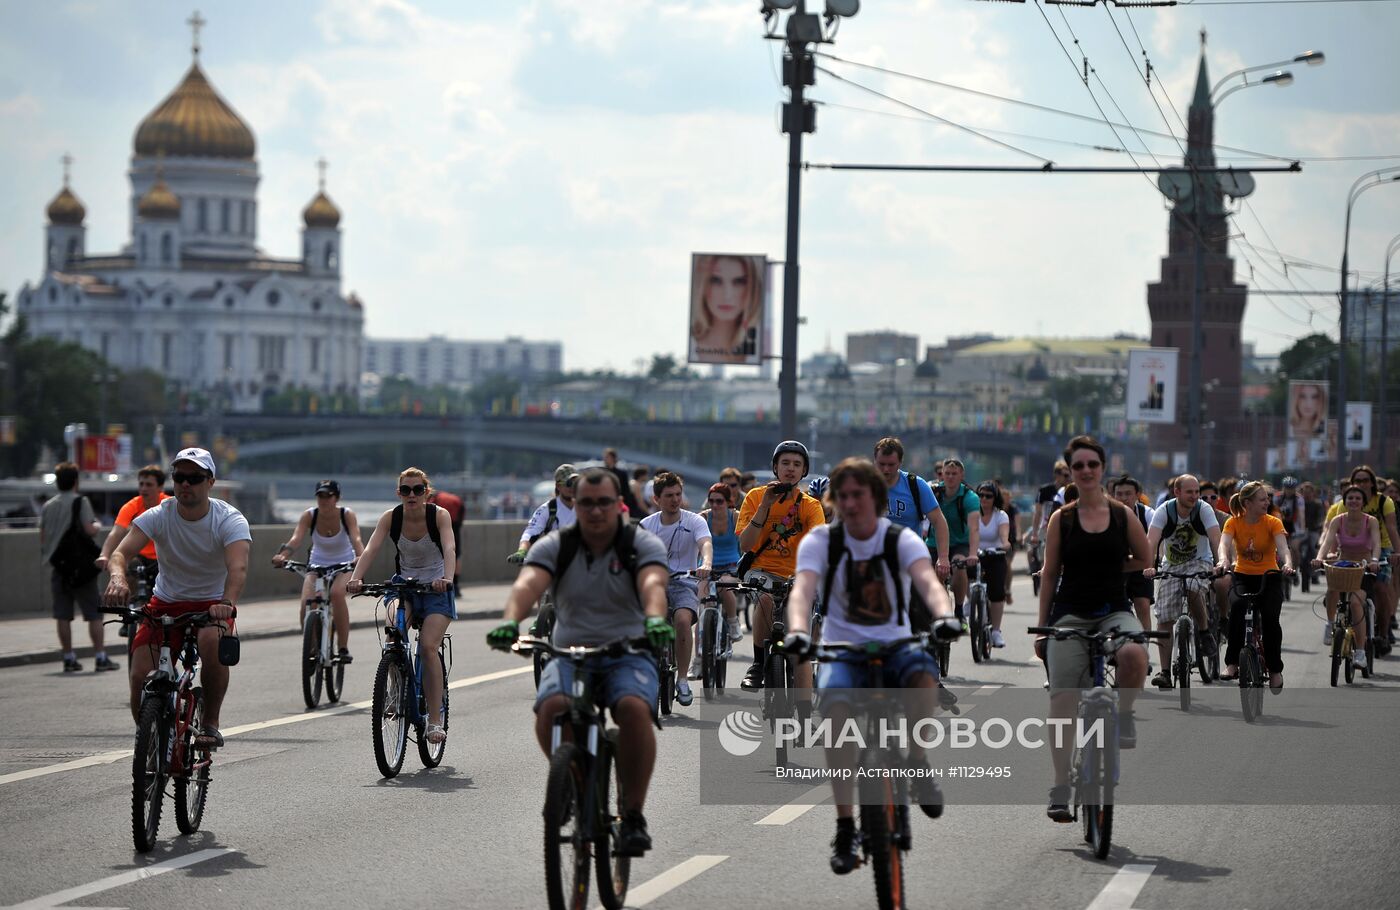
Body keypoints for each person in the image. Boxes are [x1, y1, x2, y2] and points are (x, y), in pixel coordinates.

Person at [780, 458, 961, 874]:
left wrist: (944, 615)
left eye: (858, 494)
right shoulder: (821, 542)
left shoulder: (901, 538)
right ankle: (846, 825)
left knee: (922, 674)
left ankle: (916, 760)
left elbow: (928, 582)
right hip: (843, 648)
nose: (850, 503)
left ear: (876, 497)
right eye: (842, 496)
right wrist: (797, 631)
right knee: (835, 711)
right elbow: (802, 592)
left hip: (896, 643)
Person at [487, 468, 670, 857]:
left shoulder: (640, 543)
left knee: (634, 710)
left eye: (604, 502)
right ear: (574, 504)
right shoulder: (557, 545)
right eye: (586, 503)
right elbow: (529, 584)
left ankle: (633, 814)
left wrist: (655, 618)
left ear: (619, 504)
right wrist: (509, 619)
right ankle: (570, 777)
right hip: (570, 653)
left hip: (629, 651)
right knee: (551, 708)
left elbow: (653, 584)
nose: (595, 511)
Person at [1036, 437, 1151, 822]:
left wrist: (1111, 570)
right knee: (1062, 698)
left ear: (1102, 468)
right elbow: (1050, 574)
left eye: (1092, 464)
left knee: (1135, 653)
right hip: (1070, 614)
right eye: (1078, 466)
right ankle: (1060, 784)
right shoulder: (1062, 519)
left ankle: (1126, 712)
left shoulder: (1121, 515)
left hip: (1112, 610)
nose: (1086, 471)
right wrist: (1044, 627)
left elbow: (1145, 558)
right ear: (1071, 471)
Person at [102, 448, 248, 746]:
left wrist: (227, 603)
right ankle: (151, 741)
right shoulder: (158, 516)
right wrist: (118, 578)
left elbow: (238, 567)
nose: (185, 484)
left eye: (194, 478)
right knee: (139, 674)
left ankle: (210, 723)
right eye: (179, 477)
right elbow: (120, 553)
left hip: (212, 605)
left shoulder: (228, 519)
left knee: (211, 643)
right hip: (166, 602)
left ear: (210, 482)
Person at [347, 467, 456, 745]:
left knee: (429, 647)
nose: (412, 495)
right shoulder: (391, 518)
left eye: (418, 490)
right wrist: (356, 578)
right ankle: (395, 686)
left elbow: (449, 549)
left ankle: (434, 719)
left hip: (435, 589)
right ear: (399, 493)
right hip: (404, 587)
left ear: (426, 492)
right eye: (406, 490)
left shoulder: (439, 516)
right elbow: (371, 548)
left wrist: (447, 579)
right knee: (393, 631)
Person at [736, 440, 827, 691]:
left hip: (798, 576)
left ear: (804, 471)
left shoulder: (810, 505)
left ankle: (805, 712)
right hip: (761, 571)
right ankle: (757, 664)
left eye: (797, 464)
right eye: (785, 463)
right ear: (775, 467)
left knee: (800, 648)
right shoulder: (755, 497)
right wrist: (765, 505)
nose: (790, 469)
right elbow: (746, 545)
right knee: (765, 600)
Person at [639, 471, 712, 706]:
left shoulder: (694, 521)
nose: (675, 499)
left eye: (678, 494)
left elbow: (705, 543)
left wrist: (706, 563)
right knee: (650, 623)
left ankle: (682, 680)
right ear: (656, 499)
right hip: (656, 584)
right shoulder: (646, 525)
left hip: (685, 582)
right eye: (669, 495)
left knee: (682, 621)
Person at [271, 479, 364, 663]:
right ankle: (310, 647)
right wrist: (282, 555)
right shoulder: (309, 515)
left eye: (328, 496)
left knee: (337, 594)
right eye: (320, 495)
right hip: (317, 564)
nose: (324, 500)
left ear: (337, 498)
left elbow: (356, 539)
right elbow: (296, 539)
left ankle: (343, 647)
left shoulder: (346, 515)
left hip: (344, 563)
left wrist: (360, 557)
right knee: (307, 601)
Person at [1143, 474, 1220, 687]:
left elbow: (1215, 536)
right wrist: (1149, 566)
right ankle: (1165, 673)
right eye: (1190, 492)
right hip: (1172, 565)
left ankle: (1204, 632)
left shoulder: (1203, 509)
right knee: (1165, 616)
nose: (1195, 496)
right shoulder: (1164, 511)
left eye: (1197, 492)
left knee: (1195, 589)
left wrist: (1220, 562)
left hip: (1200, 561)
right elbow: (1151, 540)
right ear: (1177, 492)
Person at [1217, 481, 1294, 690]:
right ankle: (1232, 663)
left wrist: (1287, 564)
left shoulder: (1273, 522)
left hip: (1269, 577)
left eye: (1267, 499)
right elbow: (1223, 545)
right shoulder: (1233, 522)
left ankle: (1275, 669)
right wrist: (1223, 560)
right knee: (1238, 609)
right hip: (1242, 576)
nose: (1267, 502)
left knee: (1270, 619)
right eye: (1262, 499)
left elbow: (1283, 548)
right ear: (1247, 503)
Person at [40, 462, 114, 672]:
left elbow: (43, 538)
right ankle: (100, 657)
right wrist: (98, 525)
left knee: (63, 615)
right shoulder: (80, 501)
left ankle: (68, 657)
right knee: (94, 614)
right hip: (81, 569)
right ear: (75, 481)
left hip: (59, 567)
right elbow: (90, 529)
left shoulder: (48, 505)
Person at [1325, 466, 1399, 653]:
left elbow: (1391, 529)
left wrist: (1397, 552)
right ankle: (1337, 623)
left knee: (1382, 589)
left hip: (1380, 547)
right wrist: (1331, 554)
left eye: (1365, 480)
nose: (1361, 484)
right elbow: (1335, 534)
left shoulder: (1384, 501)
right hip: (1349, 551)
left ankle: (1383, 633)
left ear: (1372, 483)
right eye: (1357, 481)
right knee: (1337, 587)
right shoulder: (1346, 503)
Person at [1312, 484, 1380, 669]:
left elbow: (1376, 542)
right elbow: (1327, 542)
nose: (1354, 501)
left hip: (1364, 568)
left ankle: (1360, 652)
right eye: (1350, 498)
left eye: (1358, 498)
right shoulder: (1338, 520)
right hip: (1344, 566)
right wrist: (1319, 558)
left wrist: (1374, 560)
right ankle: (1330, 623)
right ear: (1345, 501)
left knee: (1357, 603)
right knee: (1332, 590)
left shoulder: (1370, 521)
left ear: (1363, 502)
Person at [871, 437, 949, 580]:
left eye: (891, 464)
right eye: (881, 464)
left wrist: (943, 558)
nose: (886, 469)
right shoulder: (864, 485)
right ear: (874, 461)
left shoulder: (916, 485)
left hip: (908, 556)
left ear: (900, 462)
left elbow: (938, 521)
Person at [97, 464, 171, 588]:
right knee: (128, 572)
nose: (143, 488)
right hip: (140, 556)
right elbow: (116, 532)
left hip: (164, 557)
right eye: (141, 484)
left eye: (149, 485)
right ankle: (128, 603)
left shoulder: (169, 505)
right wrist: (104, 555)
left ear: (160, 487)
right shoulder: (132, 506)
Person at [698, 481, 744, 661]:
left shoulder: (736, 517)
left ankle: (732, 622)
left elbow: (748, 542)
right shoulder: (702, 517)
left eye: (719, 501)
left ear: (728, 502)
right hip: (707, 567)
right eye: (712, 501)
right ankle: (701, 650)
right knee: (702, 599)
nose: (715, 505)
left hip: (731, 566)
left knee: (724, 587)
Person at [689, 253, 763, 364]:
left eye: (739, 282)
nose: (727, 295)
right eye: (716, 280)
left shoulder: (760, 347)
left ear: (753, 288)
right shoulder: (690, 345)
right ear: (701, 285)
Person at [933, 458, 980, 625]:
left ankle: (959, 610)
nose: (950, 477)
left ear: (962, 475)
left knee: (959, 565)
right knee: (934, 578)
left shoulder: (969, 497)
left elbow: (974, 528)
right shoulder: (934, 492)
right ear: (942, 475)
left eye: (954, 474)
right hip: (935, 542)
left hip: (960, 543)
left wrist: (973, 553)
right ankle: (941, 611)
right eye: (947, 474)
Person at [1110, 475, 1155, 635]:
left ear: (1138, 495)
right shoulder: (1106, 515)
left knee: (1142, 605)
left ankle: (1145, 648)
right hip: (1116, 566)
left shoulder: (1148, 514)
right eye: (1119, 494)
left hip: (1142, 565)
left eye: (1128, 494)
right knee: (1113, 608)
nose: (1123, 498)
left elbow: (1154, 541)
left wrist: (1151, 565)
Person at [511, 464, 579, 563]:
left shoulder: (586, 506)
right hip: (557, 563)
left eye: (575, 483)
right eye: (568, 483)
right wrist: (522, 551)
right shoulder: (548, 509)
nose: (572, 487)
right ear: (558, 486)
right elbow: (530, 533)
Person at [973, 481, 1011, 647]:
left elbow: (1004, 536)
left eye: (988, 496)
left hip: (995, 555)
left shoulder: (1001, 515)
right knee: (963, 573)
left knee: (996, 592)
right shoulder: (972, 513)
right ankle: (970, 601)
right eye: (980, 495)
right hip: (974, 555)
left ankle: (996, 631)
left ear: (995, 498)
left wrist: (1004, 544)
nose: (984, 499)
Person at [427, 487, 465, 594]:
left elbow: (430, 513)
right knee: (456, 554)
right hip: (456, 524)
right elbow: (462, 511)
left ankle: (444, 580)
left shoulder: (436, 498)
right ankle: (456, 584)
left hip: (443, 523)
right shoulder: (455, 498)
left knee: (443, 552)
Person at [602, 447, 644, 516]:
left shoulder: (622, 474)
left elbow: (626, 491)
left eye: (607, 457)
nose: (605, 459)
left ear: (613, 458)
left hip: (619, 505)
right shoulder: (601, 473)